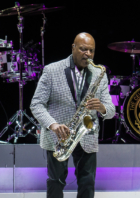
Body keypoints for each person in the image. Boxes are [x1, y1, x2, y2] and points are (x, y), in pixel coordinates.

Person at [30, 32, 115, 198]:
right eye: (83, 49)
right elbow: (36, 104)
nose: (88, 54)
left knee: (87, 182)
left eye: (91, 50)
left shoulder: (99, 74)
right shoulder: (51, 70)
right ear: (73, 48)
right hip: (58, 137)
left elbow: (111, 110)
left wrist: (103, 108)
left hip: (86, 134)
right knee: (56, 182)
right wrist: (53, 125)